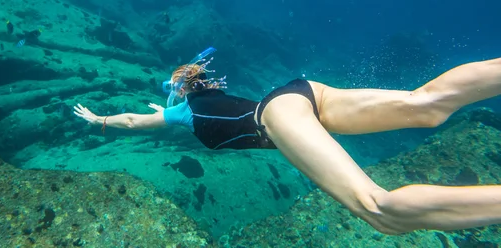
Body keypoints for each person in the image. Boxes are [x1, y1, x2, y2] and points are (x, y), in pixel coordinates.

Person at [73, 48, 501, 235]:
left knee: (380, 210)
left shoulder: (183, 111)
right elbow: (178, 109)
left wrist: (100, 120)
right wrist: (165, 108)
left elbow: (134, 120)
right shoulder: (204, 100)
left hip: (275, 117)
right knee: (426, 104)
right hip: (302, 94)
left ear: (182, 90)